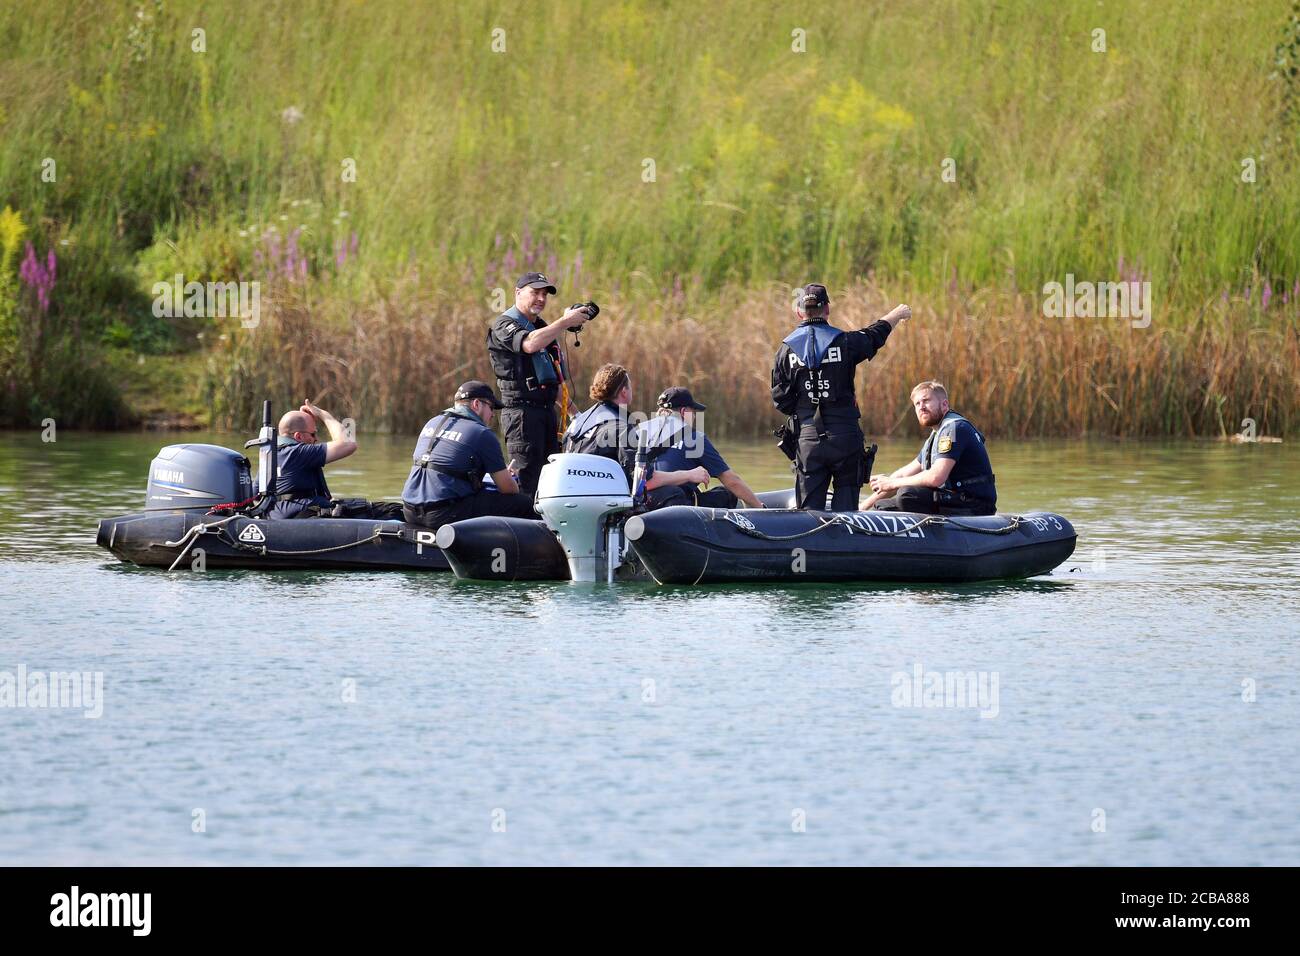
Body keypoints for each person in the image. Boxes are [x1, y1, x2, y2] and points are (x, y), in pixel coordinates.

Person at [771, 284, 910, 510]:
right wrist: (898, 313)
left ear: (799, 312)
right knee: (846, 516)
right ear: (827, 308)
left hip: (808, 441)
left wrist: (806, 411)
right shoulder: (845, 341)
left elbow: (780, 399)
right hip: (845, 437)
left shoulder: (785, 351)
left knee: (808, 516)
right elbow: (874, 335)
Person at [486, 272, 592, 496]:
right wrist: (564, 322)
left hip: (546, 415)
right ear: (518, 293)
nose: (541, 299)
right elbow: (529, 344)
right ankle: (523, 526)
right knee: (528, 480)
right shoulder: (504, 324)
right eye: (535, 293)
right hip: (521, 415)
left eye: (545, 294)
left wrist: (577, 416)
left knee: (549, 480)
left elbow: (551, 381)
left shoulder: (543, 328)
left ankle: (547, 527)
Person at [401, 381, 537, 530]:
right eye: (491, 408)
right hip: (442, 514)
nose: (492, 414)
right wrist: (510, 478)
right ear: (477, 404)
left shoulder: (432, 422)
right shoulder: (482, 433)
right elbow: (508, 489)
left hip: (410, 511)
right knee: (524, 503)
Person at [861, 381, 997, 515]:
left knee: (907, 494)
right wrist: (862, 507)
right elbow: (903, 474)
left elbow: (936, 477)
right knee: (881, 506)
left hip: (975, 505)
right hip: (954, 500)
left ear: (944, 405)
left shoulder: (954, 428)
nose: (921, 407)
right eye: (917, 404)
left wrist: (892, 483)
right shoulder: (936, 434)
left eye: (926, 401)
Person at [633, 387, 764, 510]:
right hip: (671, 506)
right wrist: (760, 508)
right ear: (684, 412)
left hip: (639, 502)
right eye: (693, 412)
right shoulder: (694, 438)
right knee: (726, 494)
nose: (695, 417)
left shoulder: (639, 430)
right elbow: (732, 481)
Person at [268, 401, 358, 519]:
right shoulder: (297, 453)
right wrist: (324, 415)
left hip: (282, 517)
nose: (316, 439)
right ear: (298, 437)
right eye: (313, 434)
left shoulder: (270, 456)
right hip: (306, 519)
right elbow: (349, 444)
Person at [563, 363, 637, 481]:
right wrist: (677, 475)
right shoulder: (622, 427)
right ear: (624, 391)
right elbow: (640, 477)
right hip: (601, 497)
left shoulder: (575, 424)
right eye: (630, 386)